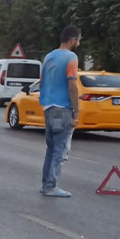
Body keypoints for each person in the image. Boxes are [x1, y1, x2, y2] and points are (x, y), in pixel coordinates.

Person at [39, 25, 82, 198]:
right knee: (60, 150)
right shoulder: (71, 57)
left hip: (48, 107)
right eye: (79, 39)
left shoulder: (49, 56)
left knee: (51, 149)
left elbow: (42, 83)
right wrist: (77, 112)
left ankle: (46, 184)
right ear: (73, 39)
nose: (78, 42)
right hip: (62, 108)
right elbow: (72, 84)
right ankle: (51, 186)